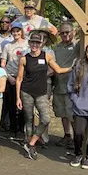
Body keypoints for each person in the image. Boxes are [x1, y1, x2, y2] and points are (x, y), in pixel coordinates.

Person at [16, 31, 72, 160]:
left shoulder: (46, 56)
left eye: (37, 42)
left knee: (46, 119)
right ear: (29, 43)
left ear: (41, 44)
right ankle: (30, 145)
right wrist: (18, 97)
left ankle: (31, 142)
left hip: (41, 92)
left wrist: (72, 68)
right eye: (32, 42)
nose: (35, 45)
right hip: (27, 92)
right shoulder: (24, 59)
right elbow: (19, 79)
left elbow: (58, 70)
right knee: (29, 119)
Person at [52, 22, 80, 149]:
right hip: (58, 85)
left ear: (73, 32)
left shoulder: (77, 45)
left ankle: (77, 138)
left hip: (72, 85)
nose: (65, 35)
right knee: (62, 112)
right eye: (62, 32)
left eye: (67, 32)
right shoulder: (56, 48)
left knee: (72, 113)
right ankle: (67, 135)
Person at [0, 22, 28, 140]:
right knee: (11, 104)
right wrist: (8, 77)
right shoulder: (7, 46)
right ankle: (13, 128)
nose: (16, 33)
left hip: (24, 77)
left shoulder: (27, 45)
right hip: (11, 77)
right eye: (14, 31)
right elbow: (2, 63)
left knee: (23, 104)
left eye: (18, 31)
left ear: (21, 31)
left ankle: (21, 129)